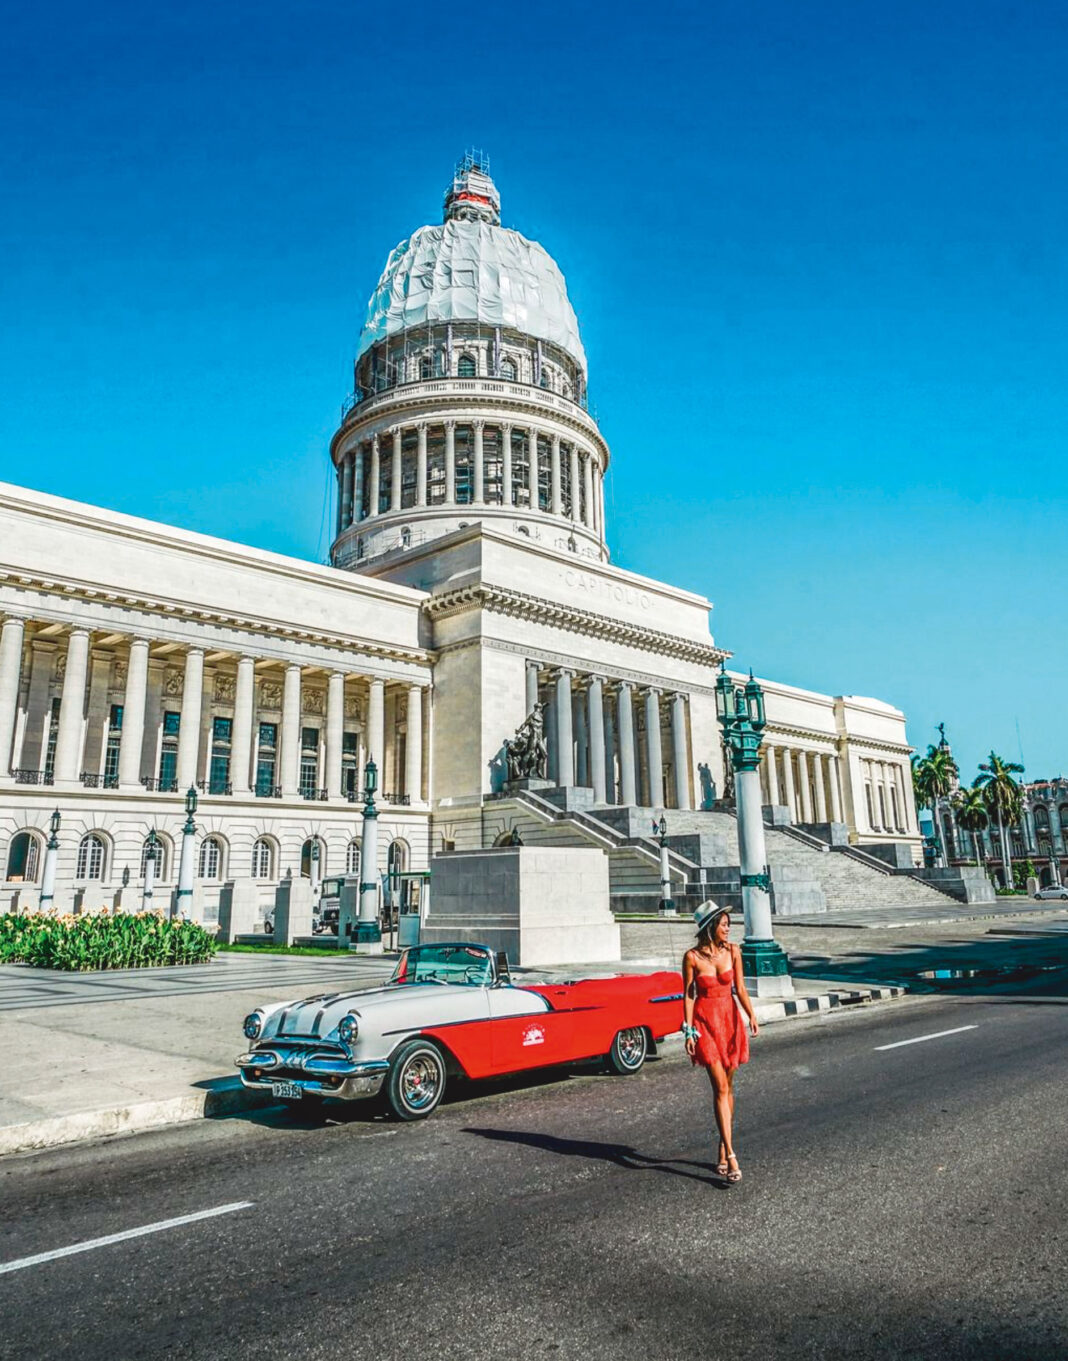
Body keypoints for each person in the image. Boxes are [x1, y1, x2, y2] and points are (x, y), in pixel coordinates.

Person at [682, 901, 759, 1183]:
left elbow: (739, 988)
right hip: (705, 1023)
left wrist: (751, 1015)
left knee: (729, 1088)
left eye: (728, 924)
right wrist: (688, 1031)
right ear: (710, 927)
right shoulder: (692, 957)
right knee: (720, 1087)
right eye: (724, 924)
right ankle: (731, 1152)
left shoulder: (734, 951)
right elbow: (689, 994)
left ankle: (721, 1147)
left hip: (730, 1021)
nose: (728, 928)